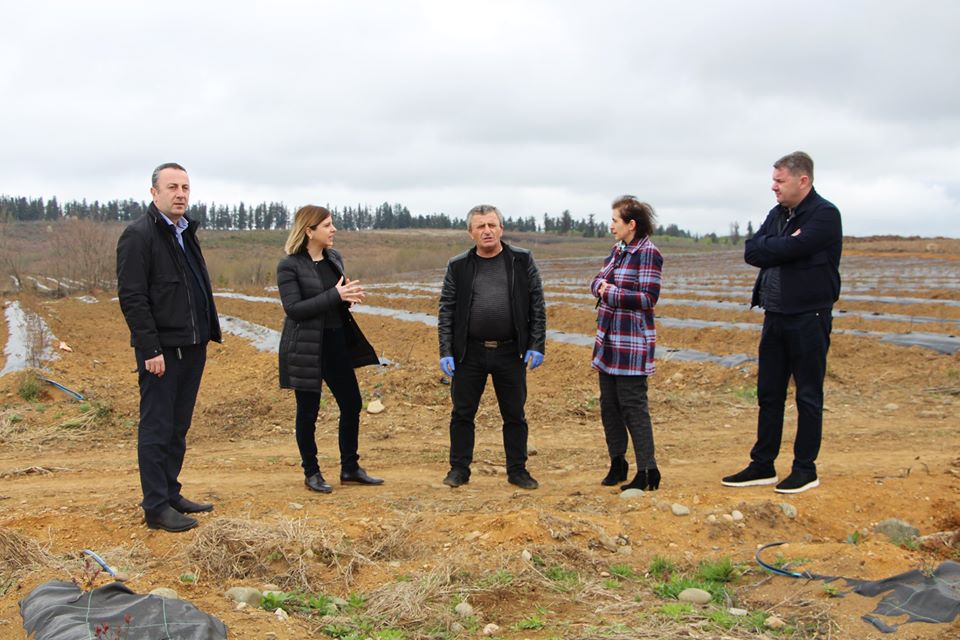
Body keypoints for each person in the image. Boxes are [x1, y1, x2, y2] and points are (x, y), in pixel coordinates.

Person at [722, 151, 842, 494]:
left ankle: (805, 469)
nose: (773, 187)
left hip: (808, 317)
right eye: (773, 180)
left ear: (802, 180)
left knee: (807, 395)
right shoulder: (778, 214)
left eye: (779, 180)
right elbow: (752, 251)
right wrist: (785, 244)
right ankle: (763, 464)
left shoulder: (825, 214)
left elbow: (790, 249)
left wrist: (779, 246)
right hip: (774, 315)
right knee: (769, 393)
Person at [117, 162, 222, 533]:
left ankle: (170, 492)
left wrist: (205, 333)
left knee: (178, 426)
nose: (180, 194)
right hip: (162, 351)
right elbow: (133, 297)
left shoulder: (185, 232)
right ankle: (156, 506)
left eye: (185, 188)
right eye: (172, 187)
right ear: (154, 193)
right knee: (157, 427)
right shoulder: (139, 235)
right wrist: (150, 349)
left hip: (192, 345)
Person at [438, 205, 546, 489]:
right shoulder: (458, 265)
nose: (487, 231)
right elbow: (447, 310)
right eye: (480, 226)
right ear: (470, 233)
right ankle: (459, 469)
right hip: (468, 353)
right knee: (462, 413)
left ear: (501, 229)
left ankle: (517, 470)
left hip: (510, 351)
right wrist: (446, 351)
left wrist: (536, 344)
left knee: (514, 414)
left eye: (492, 225)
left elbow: (537, 304)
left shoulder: (521, 260)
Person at [277, 205, 383, 494]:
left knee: (351, 403)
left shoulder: (334, 258)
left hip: (336, 342)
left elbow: (335, 299)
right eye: (327, 225)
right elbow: (294, 309)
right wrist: (335, 294)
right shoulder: (289, 266)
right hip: (306, 347)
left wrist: (347, 298)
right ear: (309, 231)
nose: (333, 229)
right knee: (308, 412)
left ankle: (350, 468)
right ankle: (311, 472)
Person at [590, 197, 663, 491]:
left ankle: (648, 470)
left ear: (631, 224)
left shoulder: (648, 253)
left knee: (633, 406)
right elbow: (596, 281)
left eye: (615, 221)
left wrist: (610, 293)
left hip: (631, 343)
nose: (611, 226)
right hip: (609, 340)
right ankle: (617, 462)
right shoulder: (618, 250)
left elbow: (648, 298)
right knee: (609, 406)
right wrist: (601, 287)